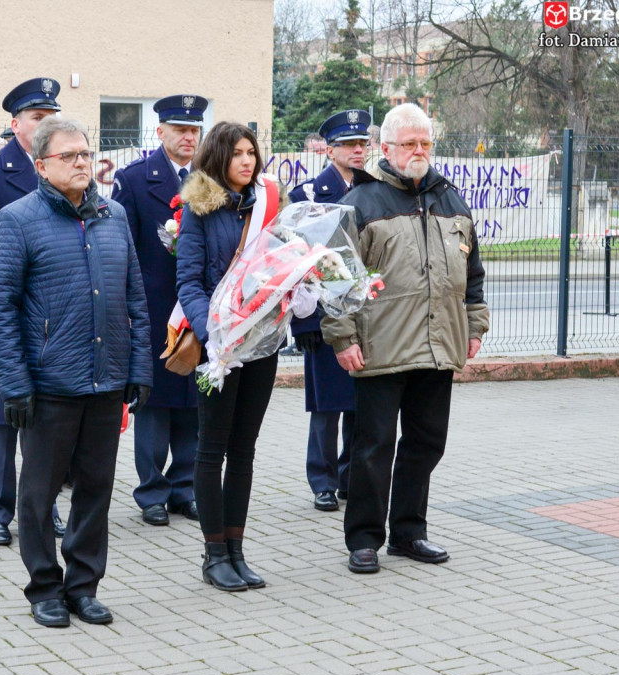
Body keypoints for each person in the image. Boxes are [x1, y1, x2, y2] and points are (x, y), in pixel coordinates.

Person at [0, 117, 151, 628]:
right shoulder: (18, 219)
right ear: (41, 166)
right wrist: (14, 382)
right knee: (37, 494)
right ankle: (44, 587)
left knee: (97, 488)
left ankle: (83, 585)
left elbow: (136, 300)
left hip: (106, 379)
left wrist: (139, 367)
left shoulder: (114, 214)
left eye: (85, 154)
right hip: (49, 384)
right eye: (69, 156)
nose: (82, 163)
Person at [321, 103, 489, 574]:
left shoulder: (450, 199)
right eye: (409, 144)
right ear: (386, 148)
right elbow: (334, 278)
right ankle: (365, 539)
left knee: (426, 442)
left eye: (425, 143)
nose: (419, 151)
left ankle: (410, 532)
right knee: (373, 446)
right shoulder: (361, 202)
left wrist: (474, 327)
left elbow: (472, 274)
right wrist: (341, 339)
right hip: (381, 347)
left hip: (439, 346)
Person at [0, 77, 66, 547]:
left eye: (52, 118)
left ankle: (43, 508)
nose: (46, 125)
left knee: (50, 420)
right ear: (15, 123)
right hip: (7, 315)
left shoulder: (64, 168)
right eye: (38, 118)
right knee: (0, 418)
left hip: (56, 318)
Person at [176, 121, 281, 591]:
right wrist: (213, 334)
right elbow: (190, 282)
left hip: (261, 345)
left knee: (244, 450)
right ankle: (213, 553)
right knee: (211, 446)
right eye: (237, 153)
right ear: (219, 157)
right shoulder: (200, 208)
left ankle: (237, 550)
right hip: (215, 351)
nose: (247, 161)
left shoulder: (268, 206)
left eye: (251, 153)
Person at [112, 94, 208, 527]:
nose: (189, 137)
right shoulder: (134, 180)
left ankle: (184, 486)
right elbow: (123, 248)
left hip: (199, 306)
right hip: (153, 308)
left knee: (192, 398)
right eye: (180, 130)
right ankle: (151, 490)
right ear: (161, 132)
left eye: (194, 130)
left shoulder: (210, 180)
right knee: (153, 401)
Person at [288, 109, 371, 511]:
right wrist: (302, 319)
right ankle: (321, 479)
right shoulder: (307, 194)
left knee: (361, 401)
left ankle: (351, 475)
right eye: (350, 145)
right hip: (323, 312)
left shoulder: (375, 189)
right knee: (326, 405)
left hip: (368, 311)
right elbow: (295, 260)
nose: (359, 151)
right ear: (330, 149)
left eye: (364, 144)